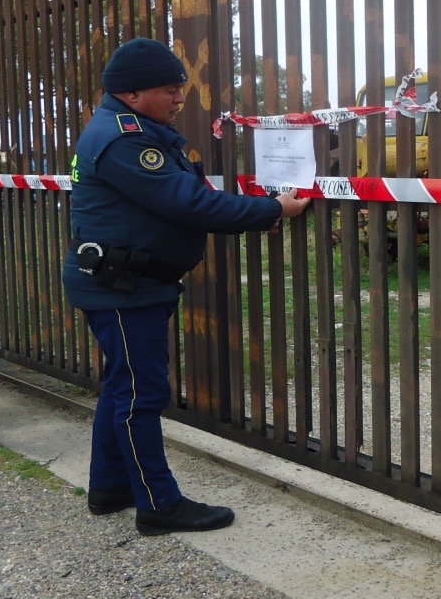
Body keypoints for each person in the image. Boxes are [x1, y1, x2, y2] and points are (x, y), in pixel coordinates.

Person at [63, 37, 310, 535]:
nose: (180, 98)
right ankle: (158, 505)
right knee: (141, 393)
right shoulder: (124, 140)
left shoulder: (136, 129)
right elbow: (191, 204)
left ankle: (110, 488)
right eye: (170, 89)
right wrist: (272, 209)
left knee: (121, 386)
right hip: (123, 290)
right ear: (132, 95)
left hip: (131, 284)